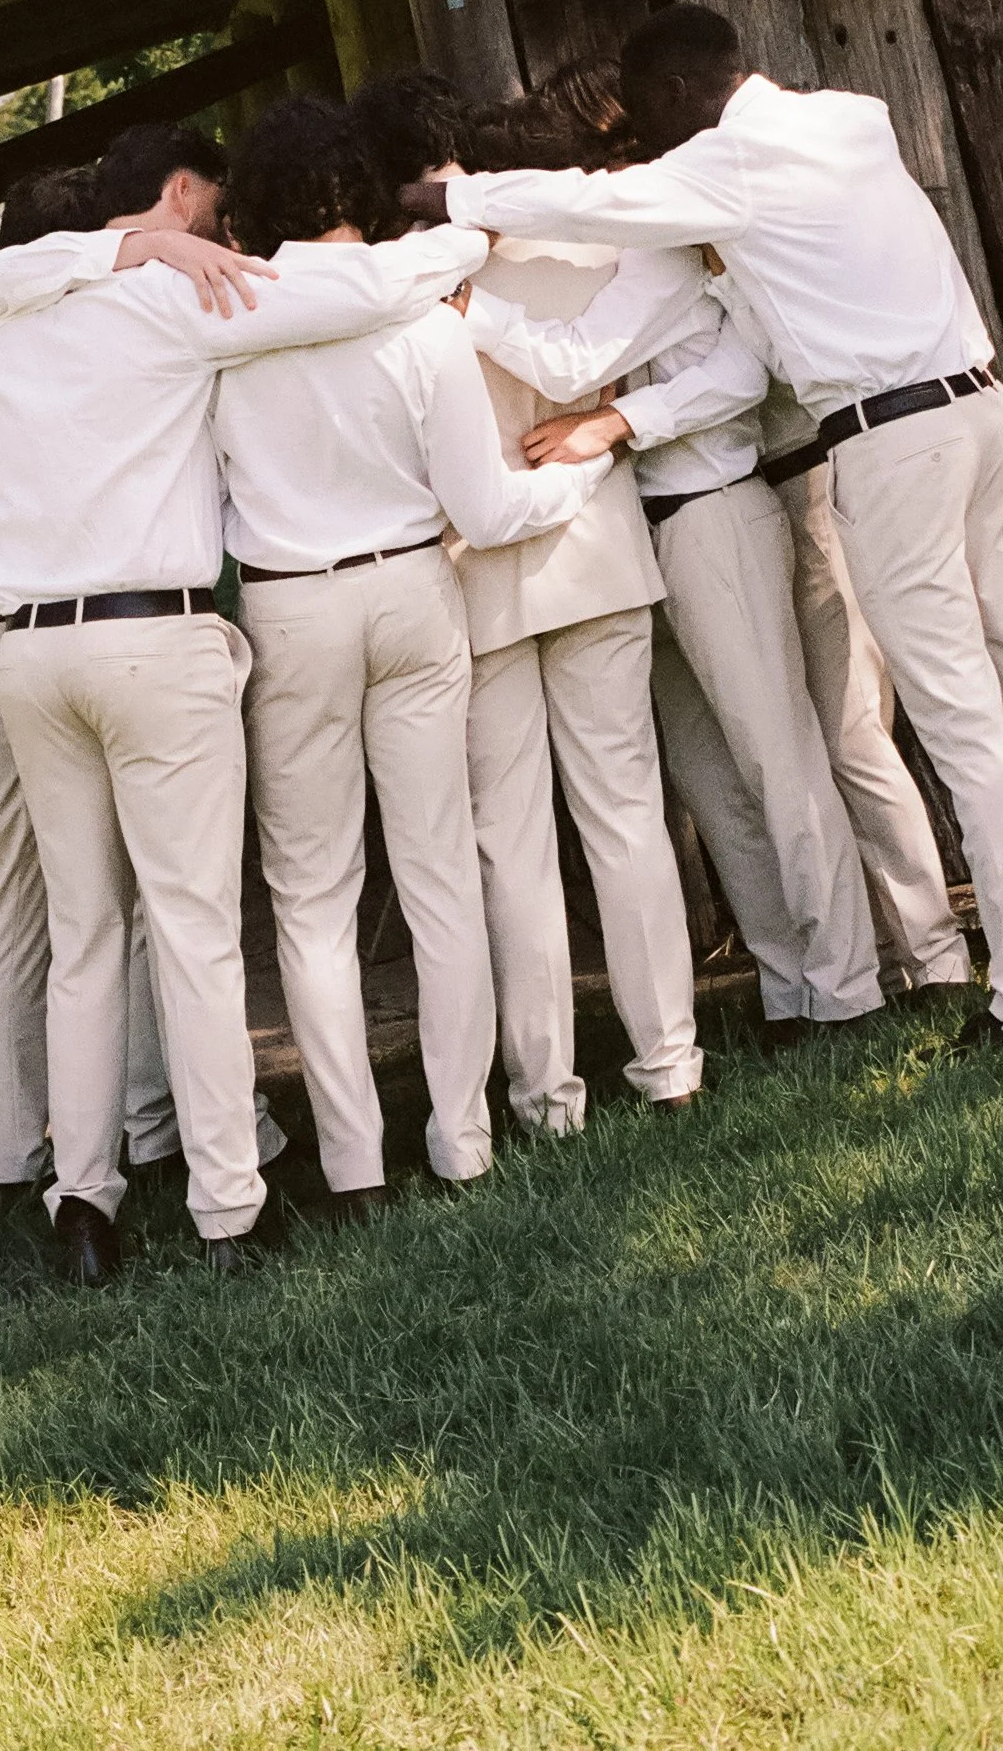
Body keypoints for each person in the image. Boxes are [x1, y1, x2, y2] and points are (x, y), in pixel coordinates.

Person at [401, 6, 1003, 1046]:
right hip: (980, 409)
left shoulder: (728, 162)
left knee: (954, 716)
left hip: (891, 441)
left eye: (651, 114)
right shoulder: (851, 119)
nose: (648, 136)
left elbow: (598, 200)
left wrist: (443, 197)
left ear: (680, 95)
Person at [0, 119, 488, 1282]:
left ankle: (84, 1201)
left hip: (29, 655)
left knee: (84, 936)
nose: (219, 229)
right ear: (181, 189)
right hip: (150, 640)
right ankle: (226, 1204)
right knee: (195, 930)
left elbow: (0, 272)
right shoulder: (172, 300)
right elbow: (348, 298)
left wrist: (116, 251)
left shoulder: (3, 318)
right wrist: (457, 236)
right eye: (206, 208)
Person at [212, 95, 611, 1211]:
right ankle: (463, 1136)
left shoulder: (224, 323)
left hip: (290, 608)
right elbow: (482, 510)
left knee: (311, 896)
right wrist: (583, 469)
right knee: (437, 875)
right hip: (410, 591)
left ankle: (351, 1164)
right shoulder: (424, 319)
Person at [461, 76, 885, 1041]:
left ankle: (847, 982)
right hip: (626, 532)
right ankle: (787, 984)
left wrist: (603, 414)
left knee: (775, 752)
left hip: (711, 513)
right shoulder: (566, 259)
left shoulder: (652, 252)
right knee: (706, 773)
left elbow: (591, 367)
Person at [0, 166, 274, 1206]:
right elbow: (30, 263)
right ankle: (24, 1152)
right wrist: (143, 246)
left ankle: (5, 1139)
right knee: (54, 903)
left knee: (16, 897)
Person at [353, 70, 702, 1128]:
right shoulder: (578, 249)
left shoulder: (388, 282)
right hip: (591, 545)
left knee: (511, 840)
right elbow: (598, 368)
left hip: (474, 568)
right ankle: (667, 1062)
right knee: (625, 814)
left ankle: (546, 1093)